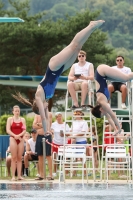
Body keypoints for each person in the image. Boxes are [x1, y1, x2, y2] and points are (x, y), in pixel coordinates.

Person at [12, 20, 105, 134]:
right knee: (78, 48)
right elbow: (46, 115)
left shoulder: (38, 96)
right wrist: (49, 130)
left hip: (53, 67)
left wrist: (46, 131)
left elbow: (44, 117)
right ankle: (92, 29)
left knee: (73, 45)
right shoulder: (45, 98)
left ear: (39, 106)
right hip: (60, 70)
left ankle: (91, 25)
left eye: (44, 108)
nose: (46, 109)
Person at [88, 64, 133, 135]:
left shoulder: (102, 102)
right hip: (104, 76)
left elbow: (113, 116)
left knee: (126, 78)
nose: (105, 114)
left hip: (101, 71)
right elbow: (109, 118)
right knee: (124, 78)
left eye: (103, 114)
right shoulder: (102, 107)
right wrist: (115, 130)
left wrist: (119, 128)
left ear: (100, 110)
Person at [6, 105, 26, 181]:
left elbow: (24, 130)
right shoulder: (10, 119)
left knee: (19, 158)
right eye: (16, 111)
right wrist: (15, 135)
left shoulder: (22, 119)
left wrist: (19, 136)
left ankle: (19, 176)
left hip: (20, 138)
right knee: (14, 158)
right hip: (13, 138)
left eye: (18, 111)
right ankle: (13, 176)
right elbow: (8, 130)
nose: (17, 112)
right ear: (13, 112)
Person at [32, 112, 53, 180]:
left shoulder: (48, 114)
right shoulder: (37, 115)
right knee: (40, 156)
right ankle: (41, 174)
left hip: (47, 135)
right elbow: (34, 126)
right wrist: (41, 125)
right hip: (39, 136)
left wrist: (38, 124)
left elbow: (47, 124)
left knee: (48, 155)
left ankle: (50, 174)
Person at [51, 112, 70, 176]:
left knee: (65, 157)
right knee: (55, 157)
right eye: (57, 117)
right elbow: (51, 131)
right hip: (56, 142)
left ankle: (66, 172)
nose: (59, 118)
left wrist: (64, 134)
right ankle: (55, 171)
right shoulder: (53, 124)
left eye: (60, 116)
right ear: (56, 118)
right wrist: (52, 132)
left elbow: (69, 134)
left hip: (64, 143)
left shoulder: (65, 124)